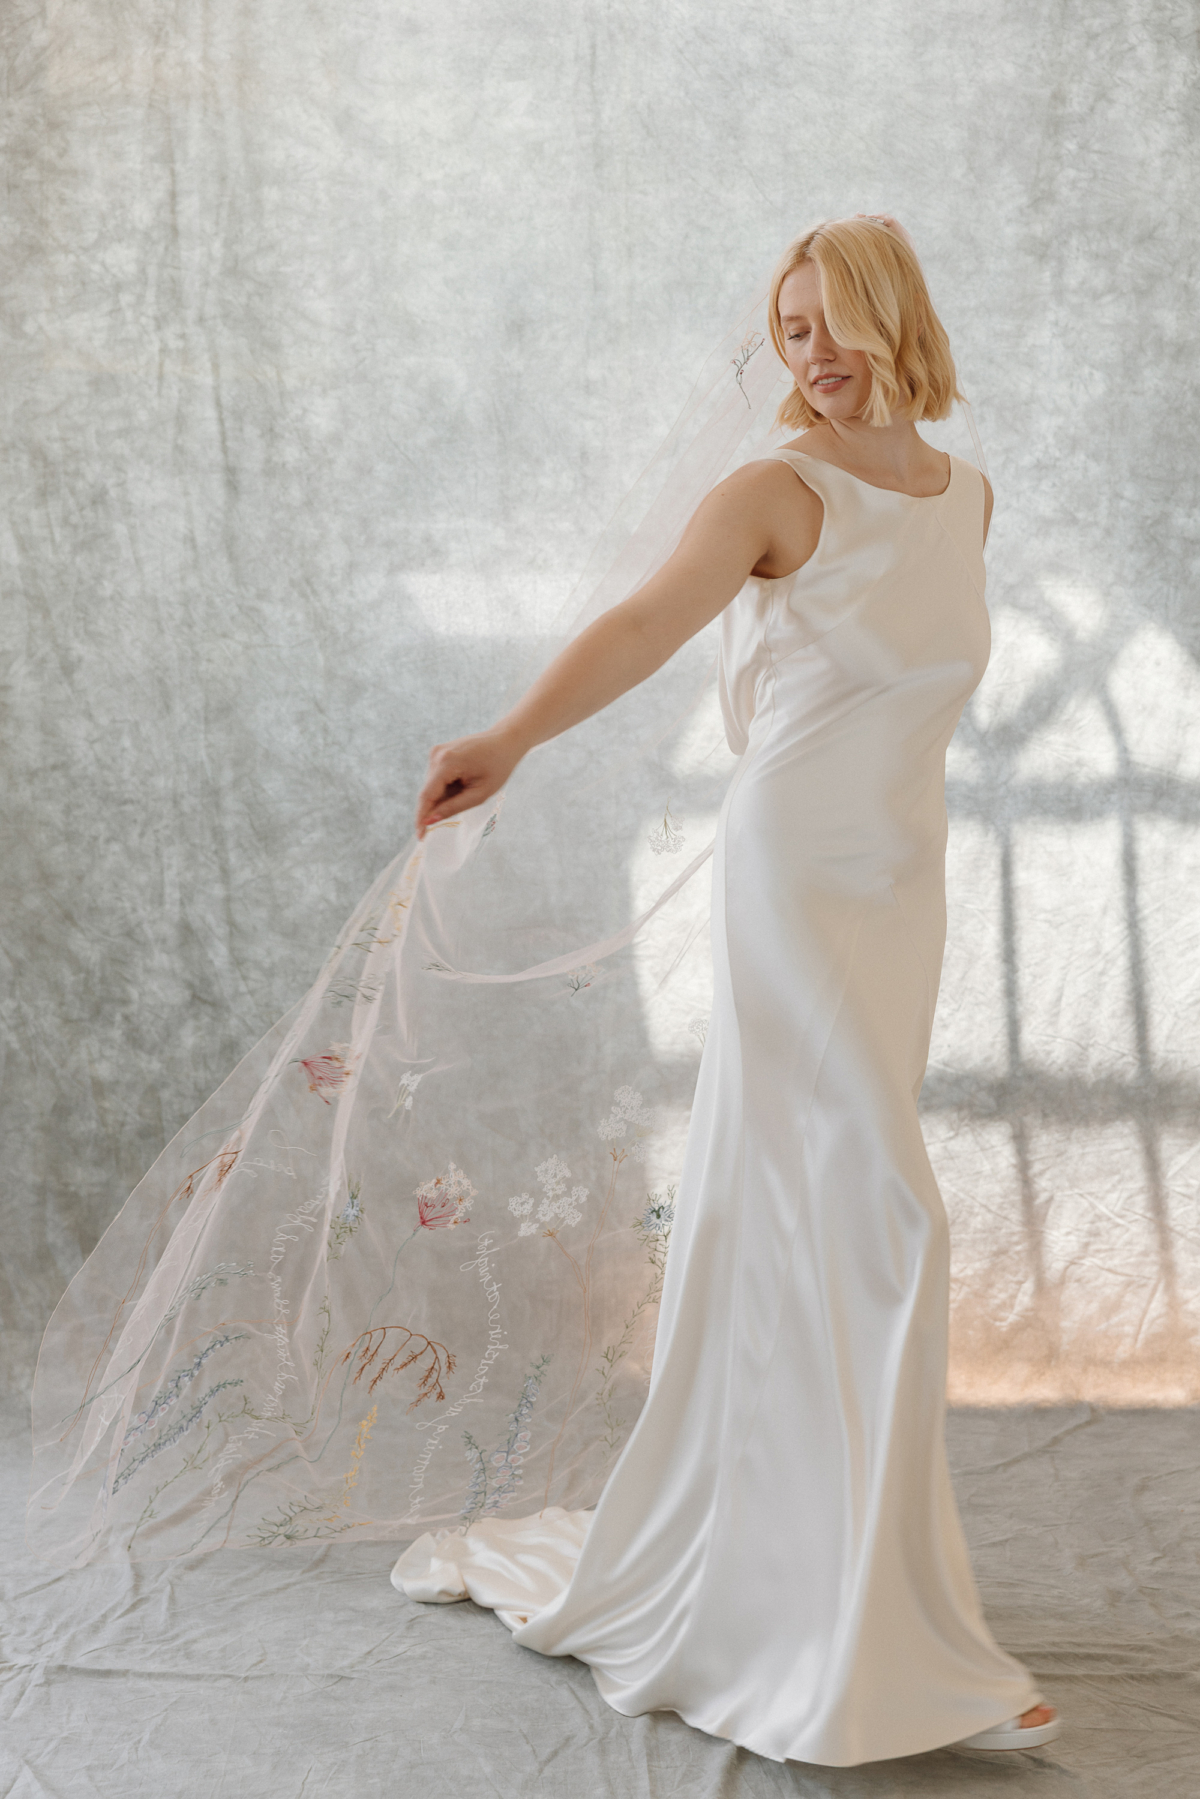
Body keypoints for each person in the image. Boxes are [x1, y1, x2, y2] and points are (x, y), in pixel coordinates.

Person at [393, 215, 1063, 1766]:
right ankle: (894, 1640)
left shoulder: (966, 496)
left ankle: (812, 1597)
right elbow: (645, 622)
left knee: (811, 1220)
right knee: (890, 1217)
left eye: (834, 322)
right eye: (790, 327)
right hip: (795, 879)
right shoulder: (776, 491)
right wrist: (510, 737)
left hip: (900, 889)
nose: (810, 354)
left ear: (899, 318)